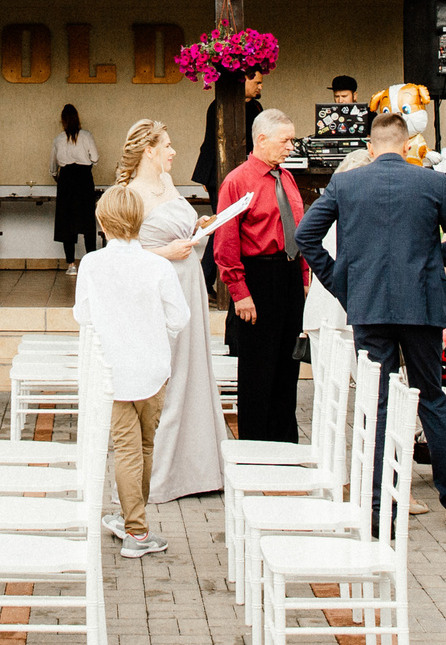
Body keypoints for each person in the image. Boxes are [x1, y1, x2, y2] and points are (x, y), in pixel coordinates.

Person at [295, 110, 446, 532]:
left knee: (376, 404)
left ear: (371, 147)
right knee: (431, 399)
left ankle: (376, 508)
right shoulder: (432, 182)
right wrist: (434, 262)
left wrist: (342, 282)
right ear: (409, 145)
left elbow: (306, 236)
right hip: (422, 306)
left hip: (370, 305)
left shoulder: (347, 182)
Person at [75, 182, 191, 559]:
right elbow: (180, 316)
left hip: (113, 369)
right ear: (140, 221)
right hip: (153, 367)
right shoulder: (157, 264)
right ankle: (133, 523)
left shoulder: (92, 264)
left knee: (126, 448)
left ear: (103, 222)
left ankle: (135, 530)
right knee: (144, 446)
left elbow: (83, 315)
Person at [112, 121, 221, 504]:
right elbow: (119, 254)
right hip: (157, 290)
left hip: (188, 283)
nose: (174, 151)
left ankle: (197, 469)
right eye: (168, 145)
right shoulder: (127, 194)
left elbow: (183, 226)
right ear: (149, 150)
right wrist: (165, 253)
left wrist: (202, 225)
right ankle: (160, 475)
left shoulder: (168, 184)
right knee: (167, 374)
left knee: (191, 369)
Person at [212, 109, 310, 447]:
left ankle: (285, 444)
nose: (290, 147)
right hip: (258, 276)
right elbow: (225, 241)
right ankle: (255, 446)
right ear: (262, 139)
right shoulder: (238, 181)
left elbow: (296, 229)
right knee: (257, 369)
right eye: (286, 141)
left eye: (292, 140)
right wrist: (239, 292)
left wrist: (304, 276)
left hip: (289, 275)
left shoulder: (286, 177)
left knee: (288, 364)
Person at [193, 68, 266, 291]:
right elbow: (214, 143)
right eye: (257, 82)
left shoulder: (255, 107)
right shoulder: (221, 105)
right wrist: (209, 175)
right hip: (218, 172)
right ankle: (204, 281)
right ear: (243, 80)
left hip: (241, 173)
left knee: (226, 224)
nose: (260, 87)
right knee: (221, 223)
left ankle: (204, 281)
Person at [51, 104, 101, 274]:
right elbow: (95, 158)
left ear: (62, 121)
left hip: (66, 180)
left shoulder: (58, 139)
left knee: (67, 222)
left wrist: (58, 177)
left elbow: (53, 167)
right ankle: (92, 264)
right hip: (84, 179)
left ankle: (71, 265)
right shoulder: (86, 135)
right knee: (87, 221)